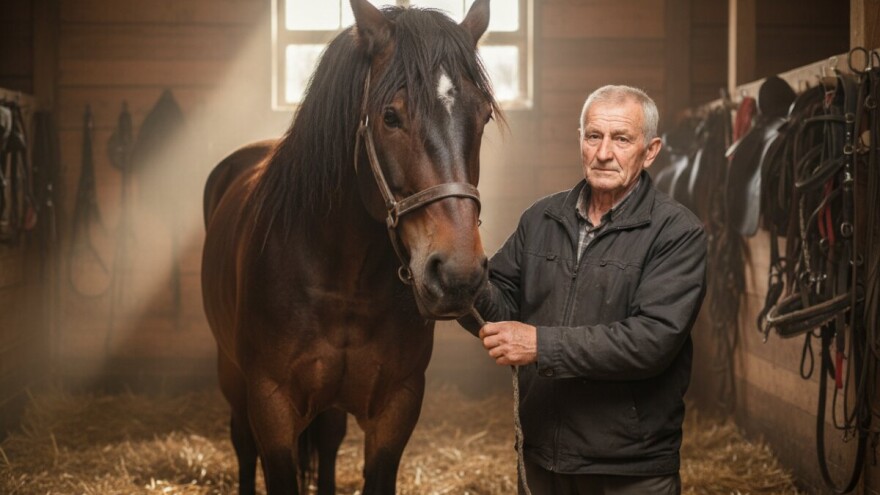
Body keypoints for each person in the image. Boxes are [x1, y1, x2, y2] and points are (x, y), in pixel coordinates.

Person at [461, 85, 708, 495]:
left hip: (631, 469)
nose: (604, 152)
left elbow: (651, 342)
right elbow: (499, 306)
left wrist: (541, 345)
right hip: (544, 459)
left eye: (621, 139)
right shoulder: (541, 218)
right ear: (581, 140)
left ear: (650, 151)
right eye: (593, 136)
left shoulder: (677, 233)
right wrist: (464, 277)